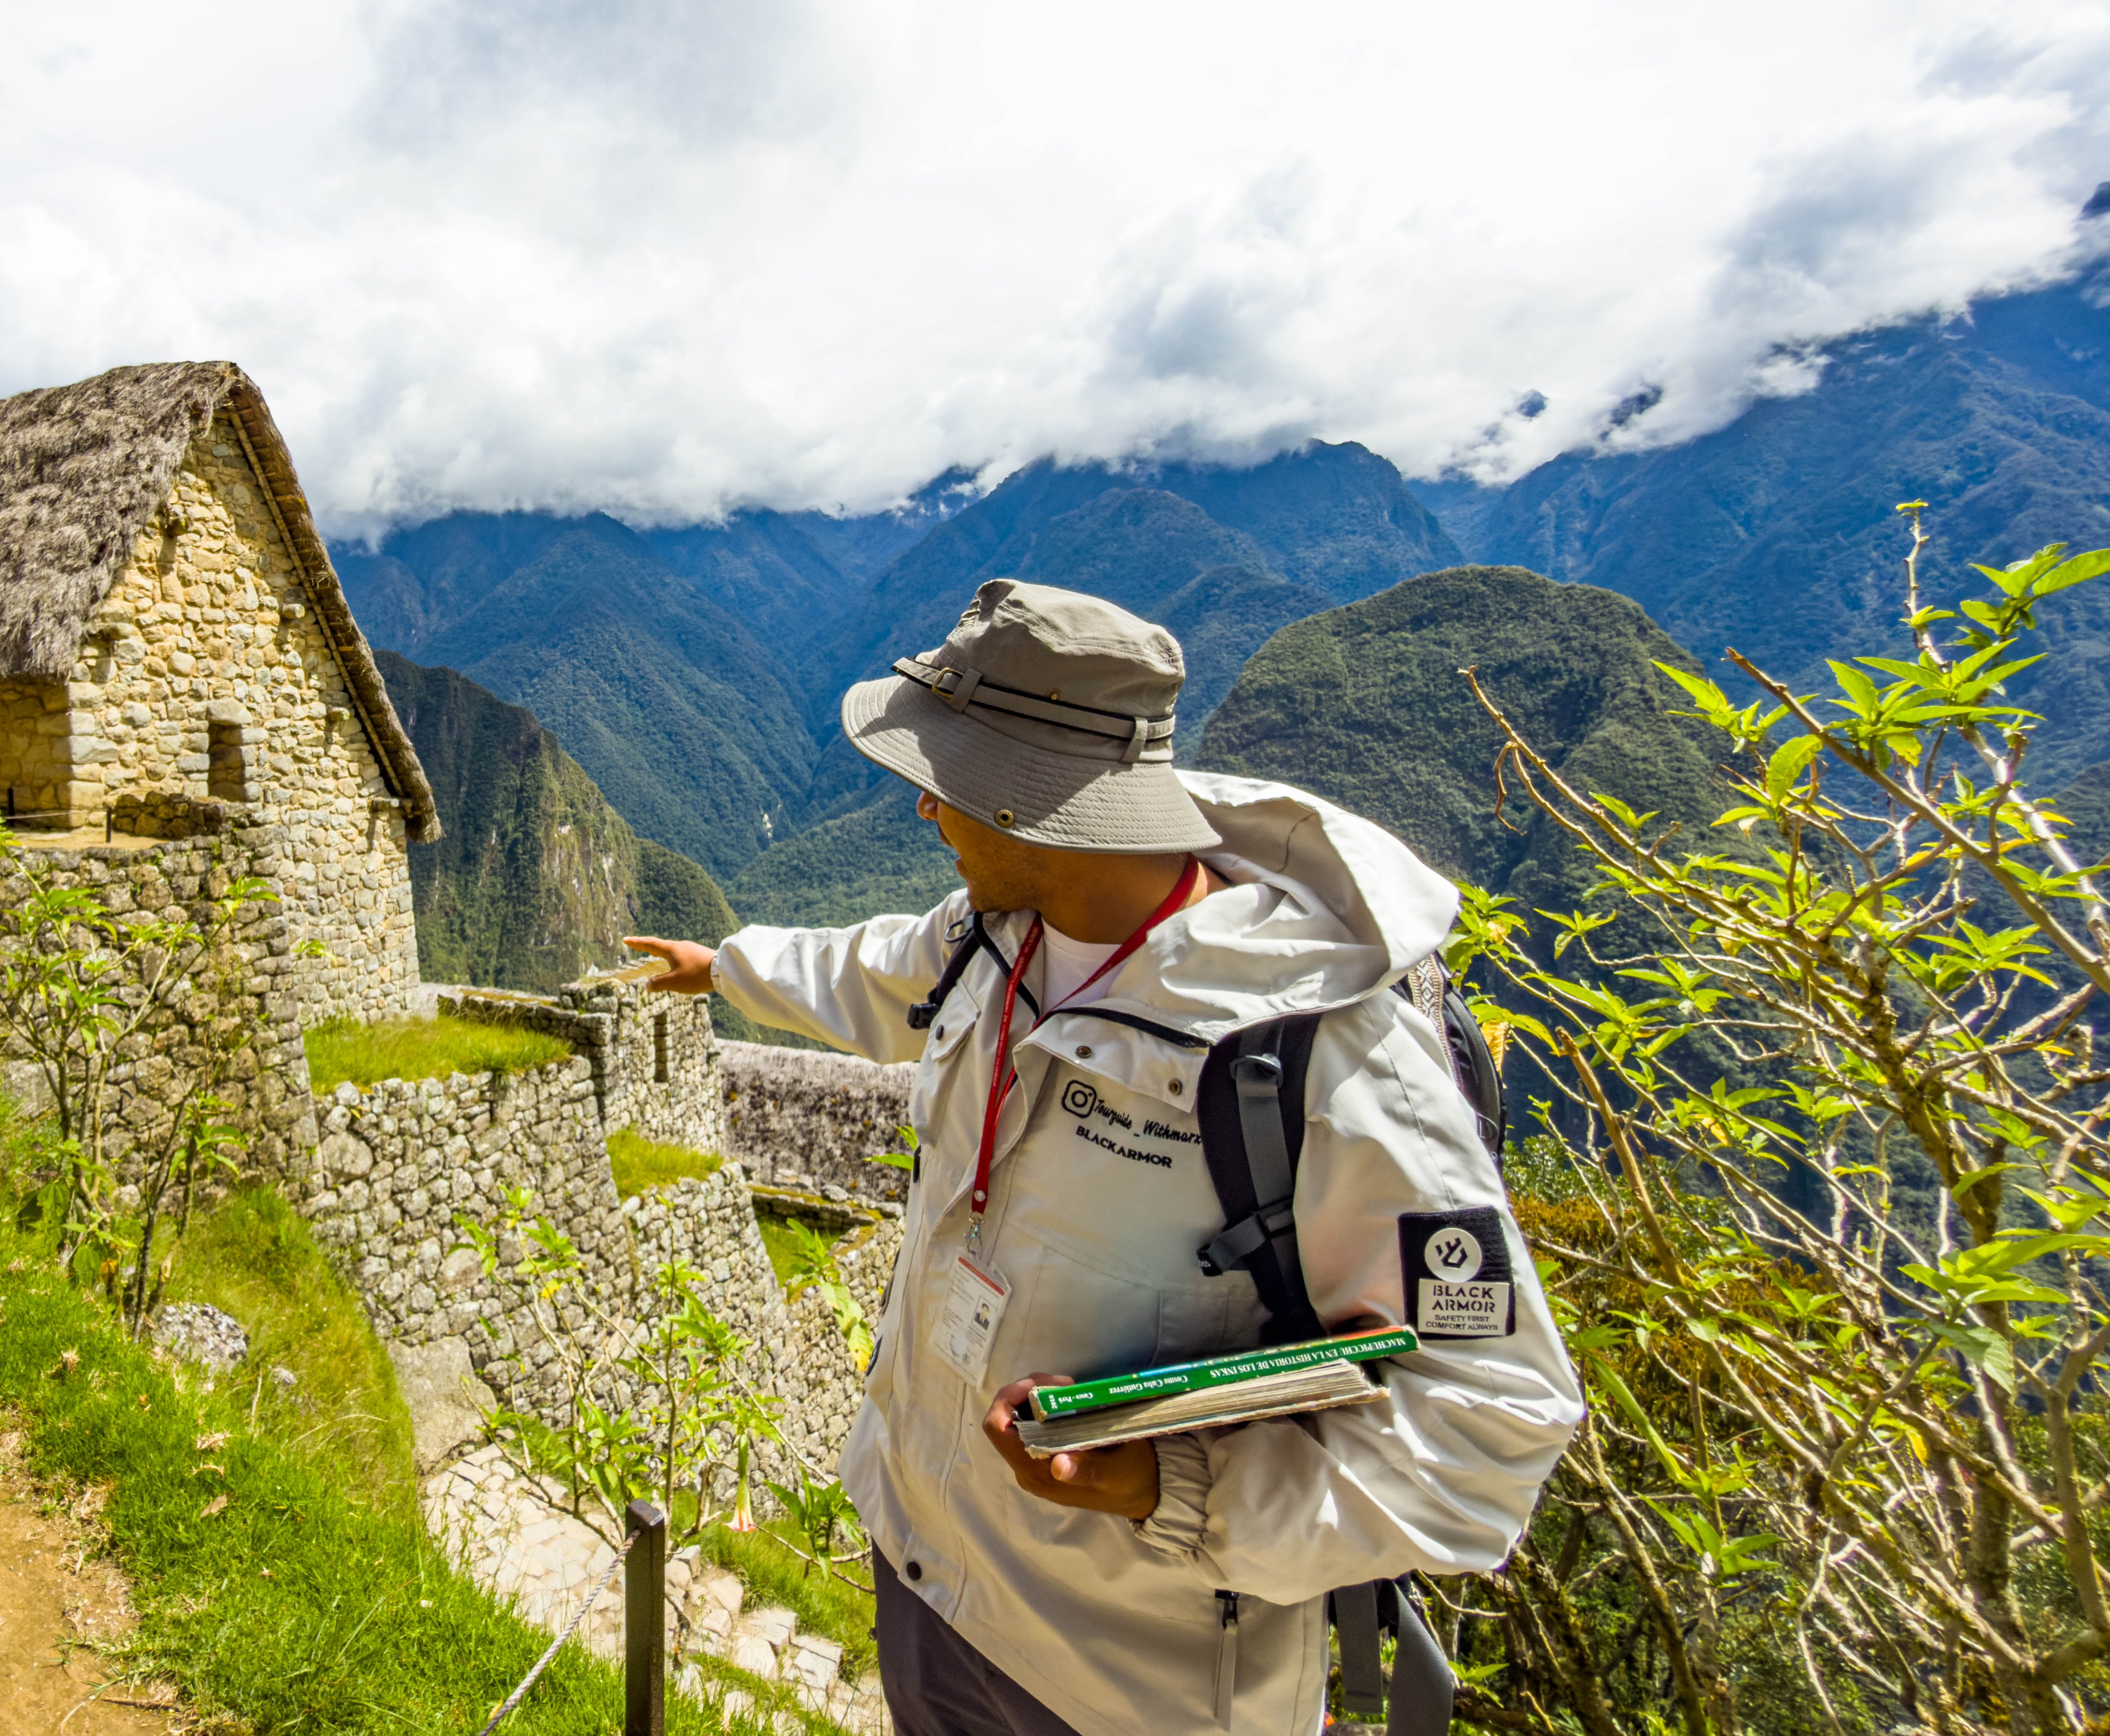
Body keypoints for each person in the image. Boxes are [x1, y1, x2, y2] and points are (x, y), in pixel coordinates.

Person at [628, 579, 1581, 1736]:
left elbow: (1493, 1424)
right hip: (928, 1569)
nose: (928, 814)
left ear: (1034, 808)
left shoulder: (1323, 1063)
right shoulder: (997, 931)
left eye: (949, 786)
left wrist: (1181, 1492)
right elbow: (877, 973)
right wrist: (722, 964)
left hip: (1129, 1681)